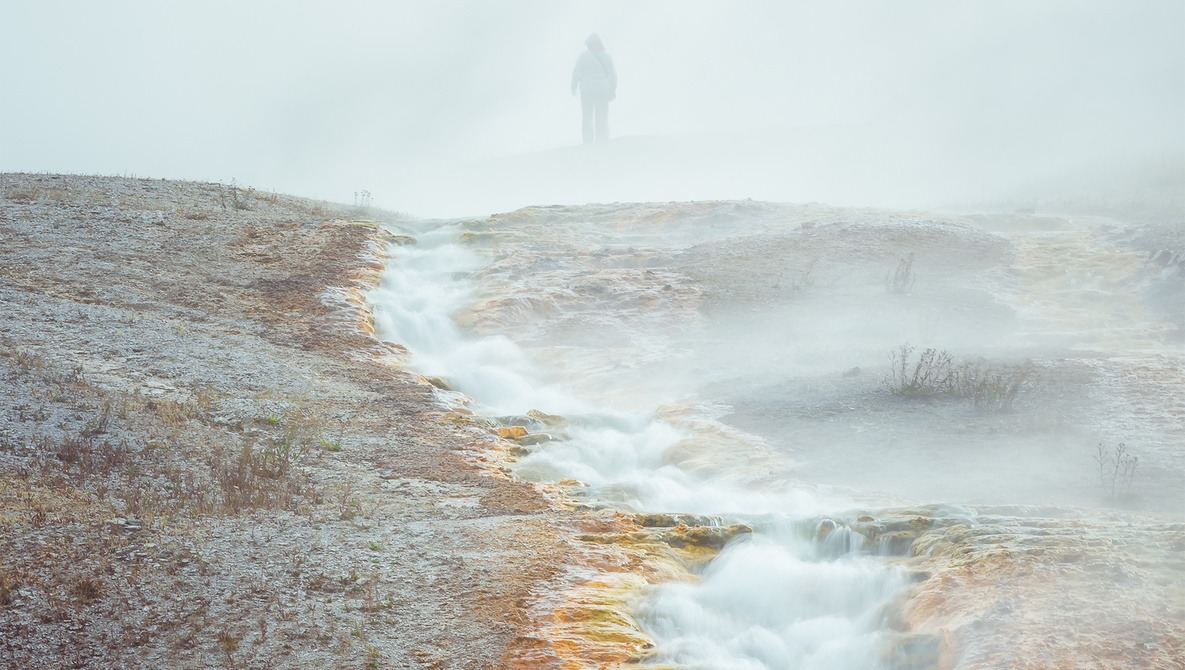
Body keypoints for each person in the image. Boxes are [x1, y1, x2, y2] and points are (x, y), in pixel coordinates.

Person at [570, 34, 617, 143]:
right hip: (602, 91)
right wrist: (612, 89)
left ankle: (588, 142)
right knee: (602, 117)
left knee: (587, 117)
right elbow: (613, 75)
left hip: (587, 91)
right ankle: (602, 141)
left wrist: (573, 87)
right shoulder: (607, 57)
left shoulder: (583, 57)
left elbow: (576, 73)